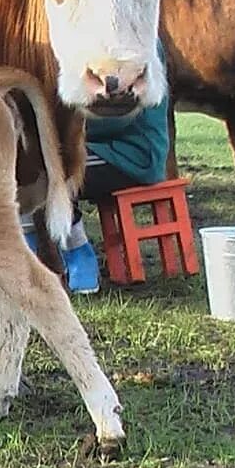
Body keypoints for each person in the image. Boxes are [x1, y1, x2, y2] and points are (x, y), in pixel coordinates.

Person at [62, 45, 171, 293]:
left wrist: (67, 118)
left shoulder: (136, 48)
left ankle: (79, 253)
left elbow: (116, 118)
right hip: (118, 149)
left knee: (53, 175)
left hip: (133, 155)